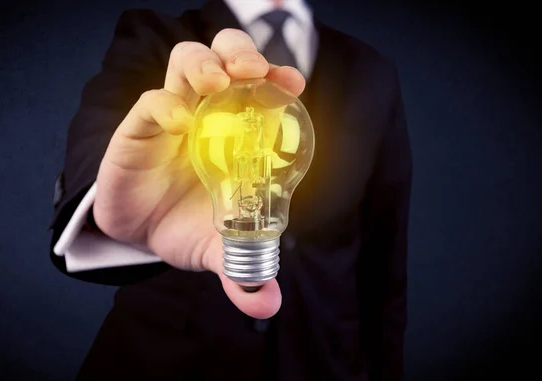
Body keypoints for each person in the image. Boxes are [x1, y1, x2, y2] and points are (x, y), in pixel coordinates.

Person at [49, 0, 412, 379]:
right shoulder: (153, 38)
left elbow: (384, 256)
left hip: (323, 360)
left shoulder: (371, 69)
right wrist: (111, 198)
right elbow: (98, 130)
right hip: (170, 362)